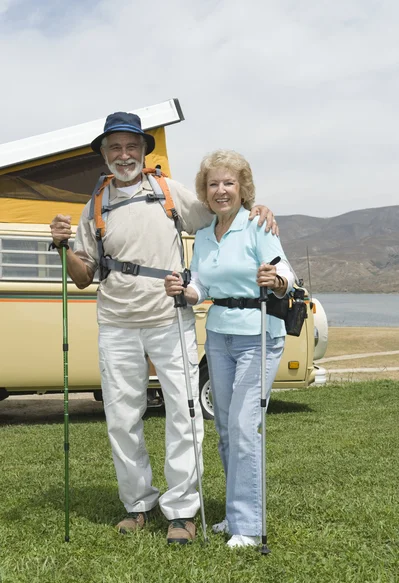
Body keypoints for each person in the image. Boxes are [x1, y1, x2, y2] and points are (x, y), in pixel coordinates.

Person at [49, 112, 277, 545]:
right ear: (104, 154)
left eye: (131, 146)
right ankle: (138, 504)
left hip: (169, 316)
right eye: (114, 147)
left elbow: (219, 211)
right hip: (116, 321)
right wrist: (64, 247)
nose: (124, 155)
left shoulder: (167, 191)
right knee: (121, 417)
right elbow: (83, 275)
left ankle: (182, 510)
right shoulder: (94, 205)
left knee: (185, 412)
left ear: (142, 150)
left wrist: (256, 207)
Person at [164, 149, 295, 548]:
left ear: (242, 189)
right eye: (213, 184)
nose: (221, 191)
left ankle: (249, 527)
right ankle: (236, 514)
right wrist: (186, 291)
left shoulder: (258, 225)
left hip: (259, 333)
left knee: (242, 427)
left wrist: (276, 279)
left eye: (229, 183)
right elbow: (201, 283)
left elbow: (286, 272)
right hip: (219, 335)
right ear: (205, 192)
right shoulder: (203, 236)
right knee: (223, 429)